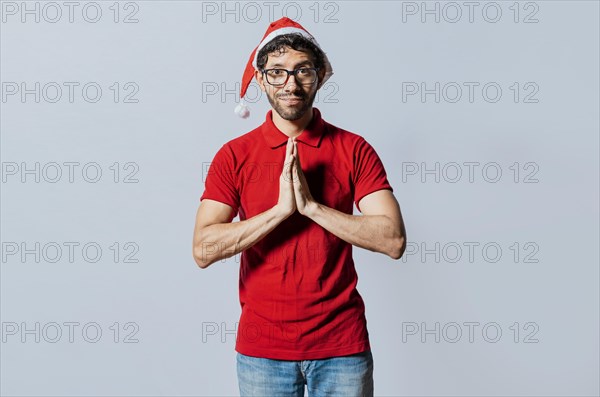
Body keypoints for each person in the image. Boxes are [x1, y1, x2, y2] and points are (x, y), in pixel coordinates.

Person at [193, 17, 407, 397]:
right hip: (263, 352)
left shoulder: (354, 149)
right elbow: (204, 249)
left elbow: (393, 240)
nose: (290, 84)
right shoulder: (234, 156)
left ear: (320, 75)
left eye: (302, 70)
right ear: (261, 80)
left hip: (342, 347)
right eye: (277, 72)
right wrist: (279, 212)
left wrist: (311, 207)